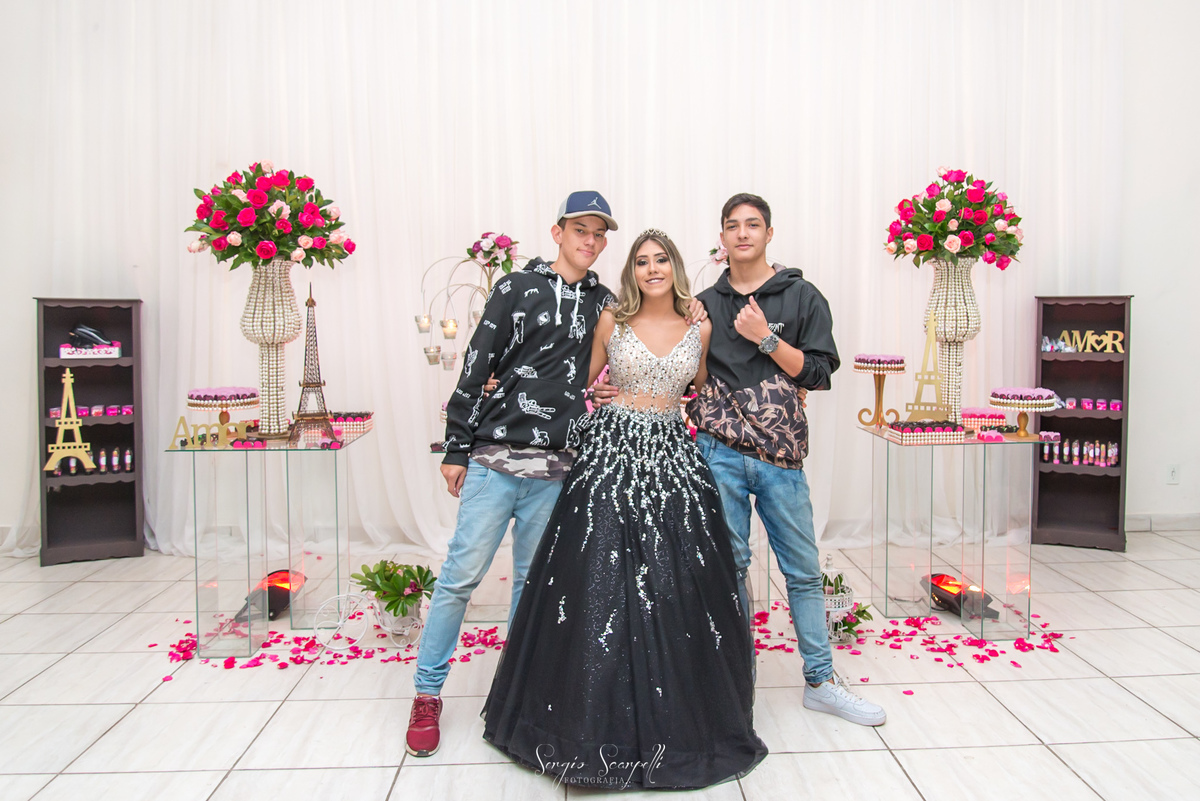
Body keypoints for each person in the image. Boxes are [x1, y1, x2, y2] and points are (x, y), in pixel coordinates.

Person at [482, 229, 767, 790]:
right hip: (611, 451)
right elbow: (577, 382)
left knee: (675, 580)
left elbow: (700, 386)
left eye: (661, 260)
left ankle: (677, 720)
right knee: (598, 577)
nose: (652, 268)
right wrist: (515, 383)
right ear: (632, 271)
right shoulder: (612, 319)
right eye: (642, 261)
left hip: (672, 455)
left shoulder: (700, 325)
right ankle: (583, 722)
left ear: (675, 267)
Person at [406, 192, 621, 757]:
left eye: (599, 233)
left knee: (531, 587)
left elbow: (625, 352)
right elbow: (477, 363)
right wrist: (457, 447)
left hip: (556, 470)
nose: (590, 240)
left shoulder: (605, 302)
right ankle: (427, 693)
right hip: (494, 462)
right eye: (580, 229)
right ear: (557, 232)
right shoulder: (515, 288)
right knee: (459, 578)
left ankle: (513, 697)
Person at [687, 193, 887, 727]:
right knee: (729, 569)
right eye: (733, 226)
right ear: (722, 237)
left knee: (801, 570)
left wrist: (766, 338)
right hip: (719, 453)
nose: (743, 233)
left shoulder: (802, 296)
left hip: (781, 457)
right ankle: (735, 682)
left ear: (769, 233)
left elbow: (818, 374)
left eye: (753, 224)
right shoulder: (704, 303)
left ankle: (821, 681)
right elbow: (690, 374)